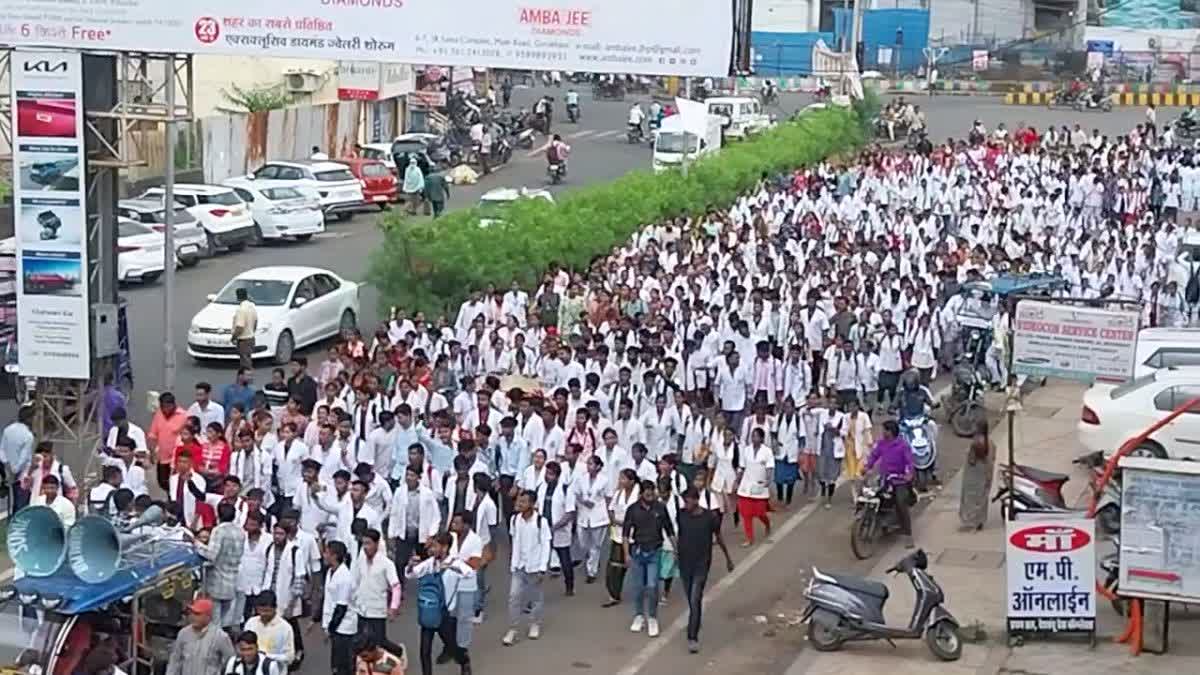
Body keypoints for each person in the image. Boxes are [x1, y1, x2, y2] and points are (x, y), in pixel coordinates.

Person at [676, 487, 734, 653]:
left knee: (695, 599)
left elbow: (719, 537)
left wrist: (728, 559)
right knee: (690, 598)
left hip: (701, 564)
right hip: (684, 563)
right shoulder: (681, 515)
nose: (686, 504)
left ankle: (692, 636)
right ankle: (696, 619)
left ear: (696, 500)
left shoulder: (710, 517)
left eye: (688, 501)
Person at [407, 531, 474, 675]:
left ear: (444, 548)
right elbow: (412, 574)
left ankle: (464, 661)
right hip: (429, 610)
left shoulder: (455, 563)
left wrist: (451, 568)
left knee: (451, 646)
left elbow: (469, 573)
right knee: (424, 651)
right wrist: (411, 565)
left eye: (435, 546)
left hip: (445, 614)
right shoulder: (430, 563)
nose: (431, 549)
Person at [622, 479, 676, 639]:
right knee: (638, 587)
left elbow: (669, 530)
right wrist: (626, 554)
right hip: (638, 552)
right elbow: (625, 533)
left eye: (652, 493)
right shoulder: (632, 510)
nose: (650, 496)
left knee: (652, 587)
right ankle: (639, 615)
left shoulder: (660, 508)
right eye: (647, 494)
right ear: (641, 494)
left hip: (655, 551)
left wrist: (676, 549)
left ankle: (652, 617)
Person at [503, 490, 551, 646]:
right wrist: (513, 563)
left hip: (534, 566)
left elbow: (545, 545)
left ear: (532, 504)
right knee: (514, 597)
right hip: (518, 566)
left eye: (523, 502)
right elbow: (514, 542)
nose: (519, 504)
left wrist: (543, 568)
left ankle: (535, 623)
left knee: (535, 598)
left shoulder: (541, 522)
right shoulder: (515, 520)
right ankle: (513, 628)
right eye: (519, 501)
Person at [864, 420, 916, 548]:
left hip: (899, 480)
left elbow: (909, 462)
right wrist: (867, 467)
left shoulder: (902, 445)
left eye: (884, 430)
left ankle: (908, 535)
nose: (882, 432)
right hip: (884, 478)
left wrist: (908, 474)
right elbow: (874, 456)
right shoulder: (881, 444)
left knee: (900, 502)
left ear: (890, 432)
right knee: (871, 495)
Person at [200, 502, 247, 629]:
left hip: (217, 582)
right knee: (223, 621)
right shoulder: (241, 532)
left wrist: (196, 544)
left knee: (215, 624)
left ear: (218, 515)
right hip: (232, 581)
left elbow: (211, 555)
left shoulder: (219, 531)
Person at [350, 529, 401, 644]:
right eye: (364, 543)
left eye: (368, 543)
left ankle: (398, 653)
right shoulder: (361, 560)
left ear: (376, 544)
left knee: (380, 641)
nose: (365, 547)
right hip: (361, 608)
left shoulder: (386, 564)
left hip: (377, 610)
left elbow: (395, 586)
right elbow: (356, 581)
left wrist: (393, 607)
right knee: (360, 642)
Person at [166, 597, 236, 675]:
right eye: (192, 613)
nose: (193, 617)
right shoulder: (183, 634)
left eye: (197, 614)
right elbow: (175, 661)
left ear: (208, 616)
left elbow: (231, 663)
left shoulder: (220, 637)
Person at [318, 540, 358, 675]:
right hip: (336, 626)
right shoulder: (330, 572)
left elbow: (341, 607)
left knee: (343, 665)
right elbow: (327, 598)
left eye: (326, 553)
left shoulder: (344, 578)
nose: (324, 555)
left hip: (344, 628)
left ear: (334, 556)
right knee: (335, 663)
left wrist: (330, 629)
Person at [735, 428, 773, 544]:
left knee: (760, 513)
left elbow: (769, 467)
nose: (754, 439)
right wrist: (737, 480)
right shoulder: (746, 450)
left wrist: (768, 480)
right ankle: (749, 538)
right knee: (746, 514)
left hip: (759, 485)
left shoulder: (767, 451)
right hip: (746, 484)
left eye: (756, 436)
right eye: (752, 436)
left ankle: (767, 524)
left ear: (761, 438)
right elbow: (741, 467)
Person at [242, 591, 295, 668]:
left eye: (267, 611)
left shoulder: (285, 628)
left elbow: (289, 657)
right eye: (261, 611)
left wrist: (267, 656)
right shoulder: (251, 623)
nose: (263, 614)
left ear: (275, 608)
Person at [959, 423, 995, 531]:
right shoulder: (990, 443)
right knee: (982, 497)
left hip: (974, 475)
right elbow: (991, 458)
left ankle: (971, 522)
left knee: (971, 498)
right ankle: (980, 521)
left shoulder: (975, 443)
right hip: (986, 473)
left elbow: (971, 460)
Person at [0, 405, 35, 513]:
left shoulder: (7, 430)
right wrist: (14, 469)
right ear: (29, 418)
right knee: (22, 506)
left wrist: (7, 466)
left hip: (8, 471)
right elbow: (23, 458)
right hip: (22, 475)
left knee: (14, 503)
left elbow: (2, 450)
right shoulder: (28, 436)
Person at [233, 288, 258, 370]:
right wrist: (252, 332)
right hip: (251, 338)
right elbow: (255, 322)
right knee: (248, 359)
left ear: (237, 297)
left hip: (243, 340)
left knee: (245, 364)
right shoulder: (252, 307)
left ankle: (247, 380)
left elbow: (240, 327)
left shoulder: (241, 310)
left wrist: (234, 337)